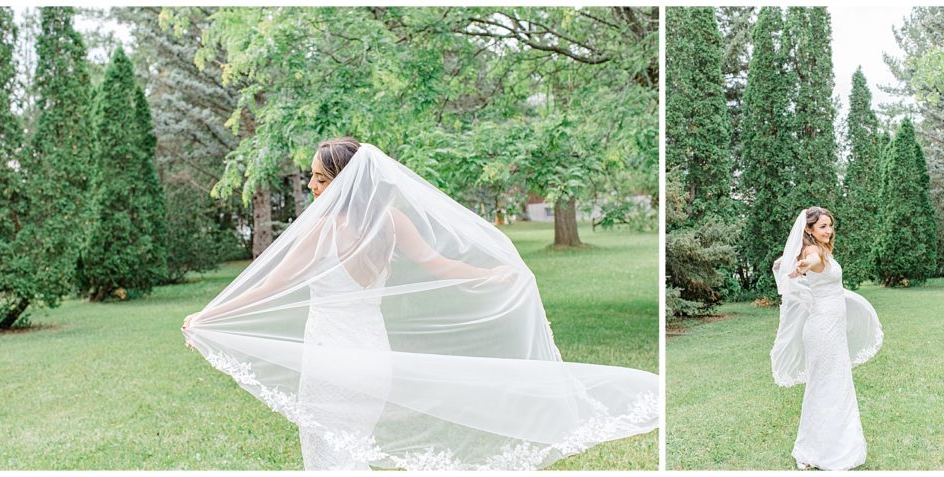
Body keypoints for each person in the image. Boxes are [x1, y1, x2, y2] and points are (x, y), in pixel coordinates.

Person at [181, 137, 658, 470]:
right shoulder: (390, 223)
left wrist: (209, 316)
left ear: (344, 183)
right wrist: (492, 273)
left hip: (330, 362)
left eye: (320, 180)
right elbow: (445, 266)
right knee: (349, 451)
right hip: (374, 361)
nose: (311, 187)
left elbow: (271, 284)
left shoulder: (323, 230)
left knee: (328, 456)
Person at [771, 207, 884, 470]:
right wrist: (802, 265)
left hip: (831, 327)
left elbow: (782, 263)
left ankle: (826, 446)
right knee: (826, 385)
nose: (829, 230)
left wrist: (790, 262)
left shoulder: (822, 250)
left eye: (830, 225)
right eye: (823, 226)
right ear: (808, 229)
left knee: (834, 384)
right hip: (823, 330)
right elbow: (809, 262)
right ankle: (819, 451)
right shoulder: (812, 253)